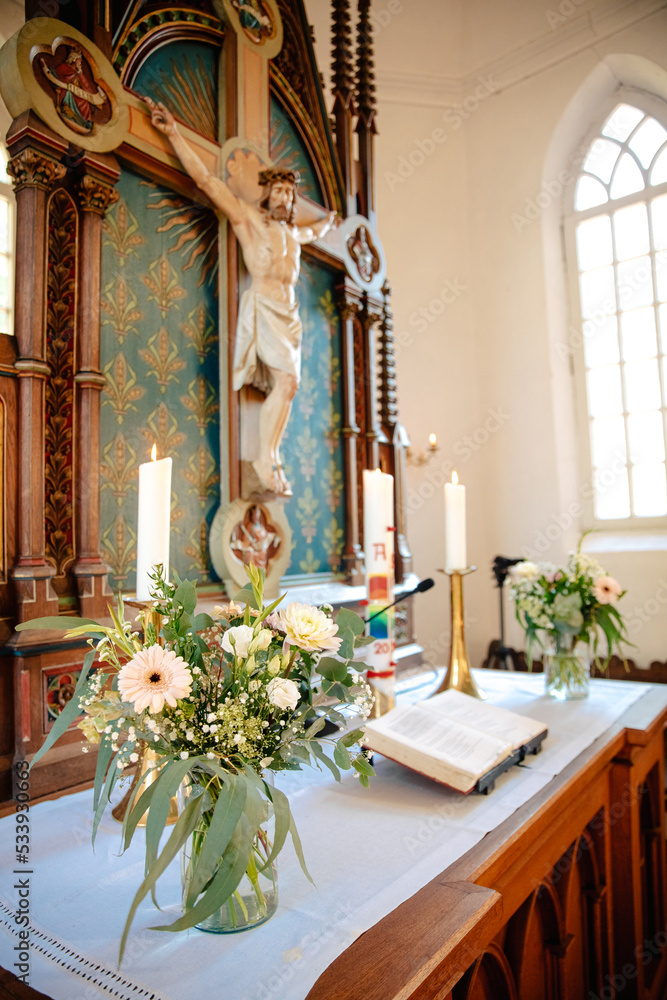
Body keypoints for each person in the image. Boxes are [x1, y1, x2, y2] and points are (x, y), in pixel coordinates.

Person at [145, 98, 337, 496]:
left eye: (290, 193)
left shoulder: (294, 234)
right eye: (279, 192)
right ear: (266, 196)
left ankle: (273, 455)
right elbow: (207, 183)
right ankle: (265, 458)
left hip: (290, 316)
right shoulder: (248, 220)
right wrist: (174, 134)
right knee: (285, 383)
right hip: (264, 307)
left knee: (289, 386)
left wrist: (331, 222)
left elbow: (316, 233)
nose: (286, 199)